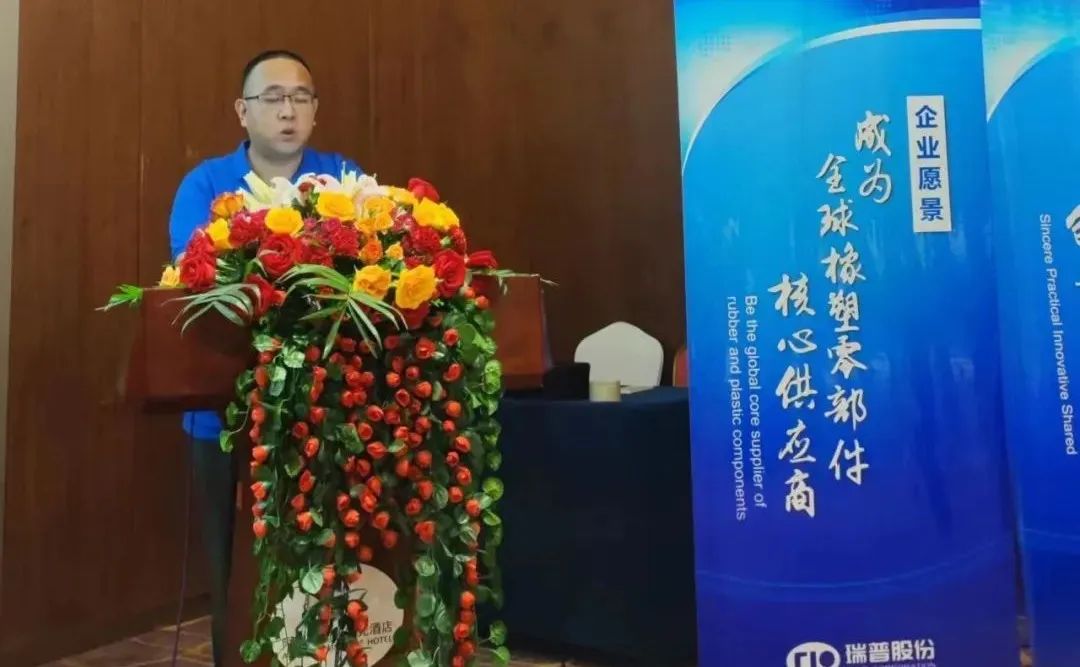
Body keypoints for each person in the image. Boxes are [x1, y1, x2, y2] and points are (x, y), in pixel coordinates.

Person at [167, 49, 360, 667]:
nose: (287, 110)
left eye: (300, 97)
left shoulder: (344, 180)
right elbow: (198, 281)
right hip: (223, 417)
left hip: (329, 406)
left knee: (332, 556)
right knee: (234, 568)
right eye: (272, 98)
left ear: (315, 111)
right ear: (242, 111)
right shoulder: (205, 186)